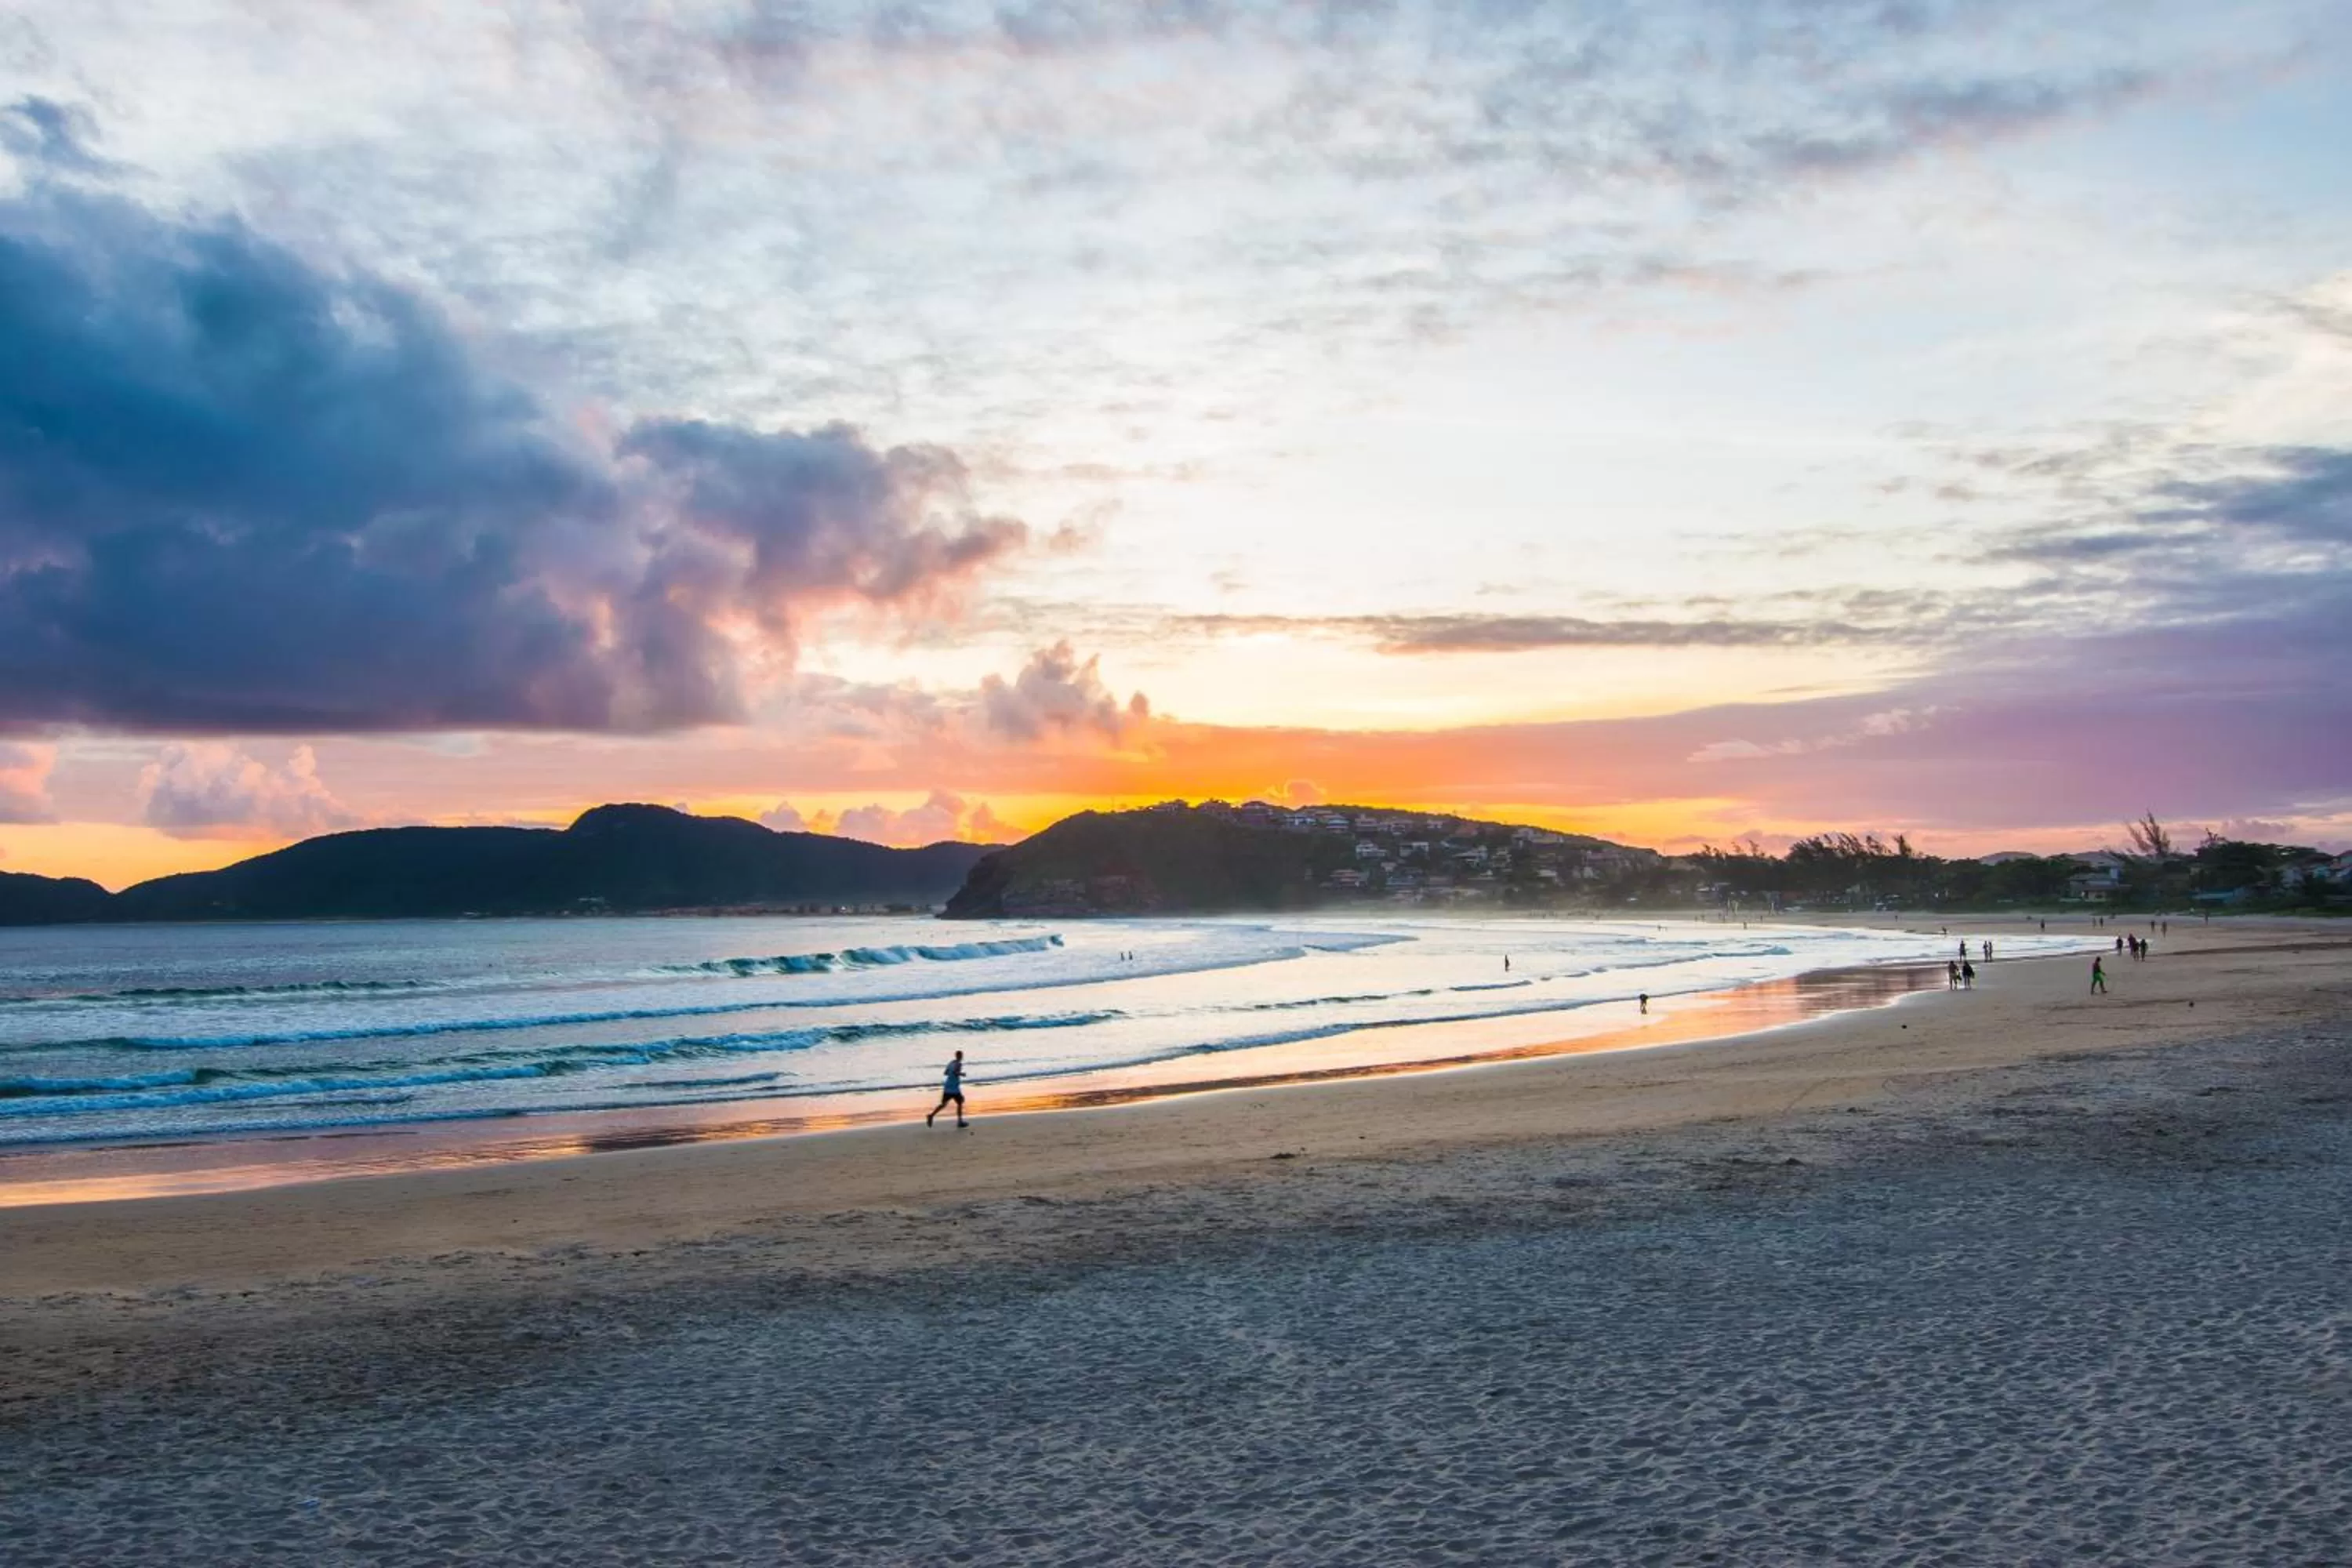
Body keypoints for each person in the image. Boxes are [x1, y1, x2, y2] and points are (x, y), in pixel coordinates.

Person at [926, 1049, 968, 1129]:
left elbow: (945, 1073)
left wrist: (953, 1073)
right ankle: (960, 1122)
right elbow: (956, 1072)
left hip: (948, 1086)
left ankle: (931, 1115)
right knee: (960, 1103)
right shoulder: (959, 1064)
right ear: (959, 1056)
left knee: (943, 1104)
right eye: (961, 1055)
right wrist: (962, 1074)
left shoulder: (951, 1063)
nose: (961, 1057)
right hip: (954, 1088)